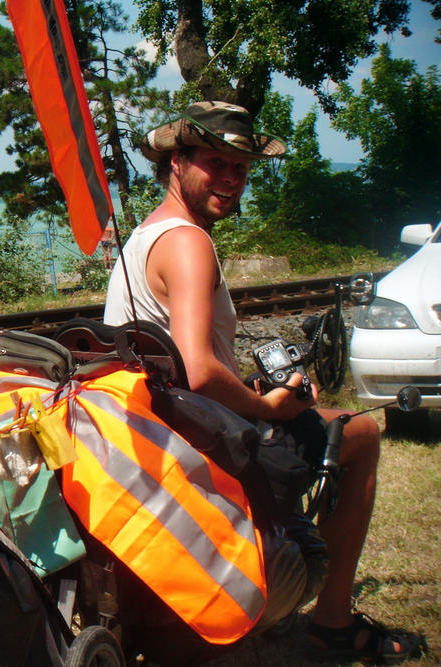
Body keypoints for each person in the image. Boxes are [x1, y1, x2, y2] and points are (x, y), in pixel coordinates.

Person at [104, 101, 424, 663]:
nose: (230, 178)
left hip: (160, 426)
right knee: (363, 435)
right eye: (214, 162)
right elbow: (200, 371)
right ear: (177, 162)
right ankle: (330, 622)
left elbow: (180, 362)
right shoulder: (188, 242)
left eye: (240, 168)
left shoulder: (146, 237)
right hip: (202, 437)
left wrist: (254, 389)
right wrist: (268, 404)